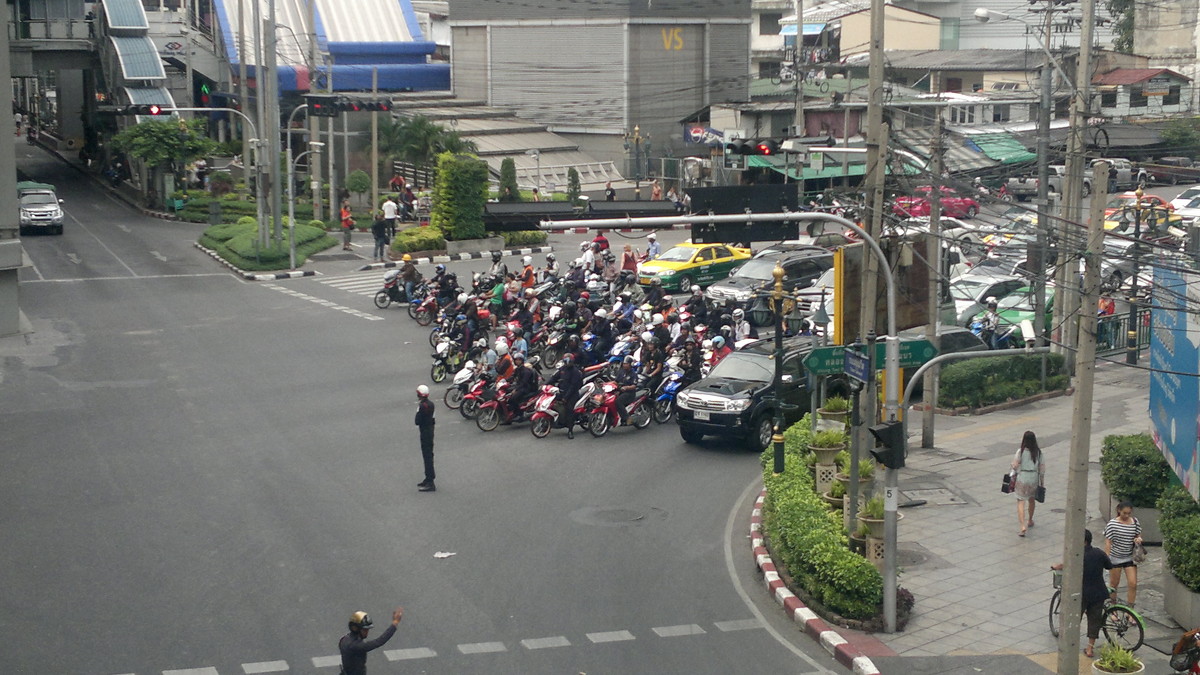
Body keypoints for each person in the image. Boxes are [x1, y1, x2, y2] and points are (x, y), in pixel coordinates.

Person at [1051, 530, 1113, 658]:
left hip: (1081, 593)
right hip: (1099, 592)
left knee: (1074, 618)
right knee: (1094, 620)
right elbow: (1109, 566)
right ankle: (1090, 648)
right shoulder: (1099, 553)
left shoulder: (1077, 555)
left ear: (1082, 541)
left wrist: (1057, 566)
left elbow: (1065, 566)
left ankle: (1070, 645)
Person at [339, 608, 404, 675]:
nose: (367, 632)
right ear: (356, 628)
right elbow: (379, 641)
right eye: (365, 630)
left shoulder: (344, 640)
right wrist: (395, 623)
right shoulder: (356, 646)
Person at [1105, 501, 1143, 607]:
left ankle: (1130, 610)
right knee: (1114, 585)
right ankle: (1112, 608)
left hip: (1129, 557)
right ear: (1119, 511)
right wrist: (1107, 557)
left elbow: (1138, 534)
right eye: (1124, 513)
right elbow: (1108, 542)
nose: (1126, 515)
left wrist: (1138, 539)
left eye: (1129, 513)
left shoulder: (1135, 521)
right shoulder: (1112, 524)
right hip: (1115, 558)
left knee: (1133, 583)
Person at [1011, 430, 1045, 537]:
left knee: (1021, 502)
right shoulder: (1038, 452)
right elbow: (1042, 469)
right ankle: (1030, 520)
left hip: (1023, 478)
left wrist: (1014, 466)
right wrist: (1042, 483)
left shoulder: (1020, 452)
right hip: (1033, 478)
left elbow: (1015, 465)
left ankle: (1022, 526)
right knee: (1031, 500)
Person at [548, 354, 583, 438]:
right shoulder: (562, 369)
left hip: (571, 395)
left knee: (569, 410)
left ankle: (570, 430)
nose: (567, 363)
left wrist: (565, 398)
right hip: (562, 392)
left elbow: (573, 387)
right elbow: (553, 378)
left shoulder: (575, 372)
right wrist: (545, 385)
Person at [415, 385, 437, 491]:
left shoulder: (422, 406)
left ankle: (430, 481)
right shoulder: (431, 404)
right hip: (430, 431)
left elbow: (417, 421)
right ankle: (428, 478)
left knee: (427, 456)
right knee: (429, 455)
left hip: (424, 432)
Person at [614, 356, 639, 426]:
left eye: (626, 364)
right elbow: (616, 381)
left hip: (629, 393)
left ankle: (627, 417)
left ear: (630, 364)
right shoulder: (621, 372)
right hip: (620, 391)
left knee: (618, 401)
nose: (624, 365)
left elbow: (634, 385)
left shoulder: (633, 374)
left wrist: (626, 387)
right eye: (624, 363)